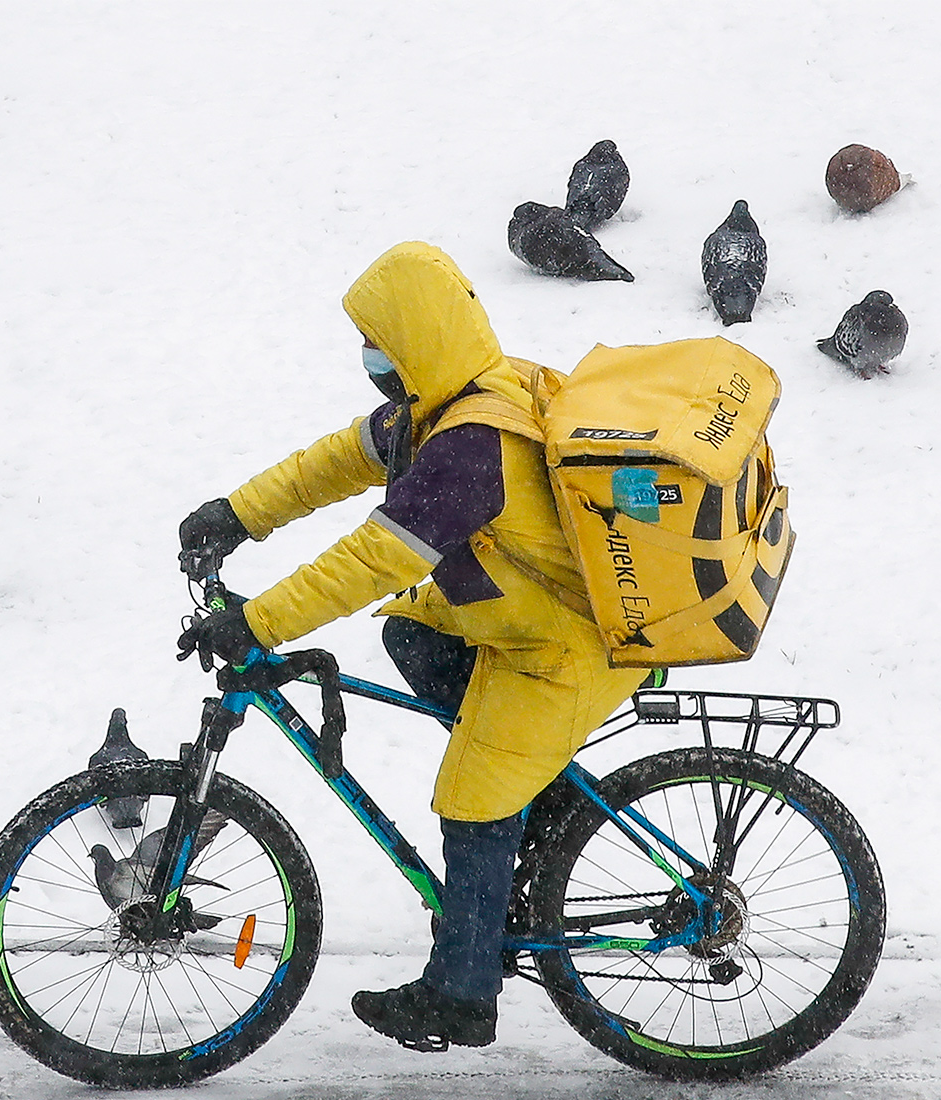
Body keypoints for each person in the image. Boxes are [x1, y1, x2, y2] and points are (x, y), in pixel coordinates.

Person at [176, 241, 653, 1051]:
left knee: (471, 797)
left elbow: (374, 558)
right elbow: (328, 464)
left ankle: (460, 994)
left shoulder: (475, 446)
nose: (370, 362)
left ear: (417, 343)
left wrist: (258, 625)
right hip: (520, 614)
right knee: (410, 629)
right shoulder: (440, 406)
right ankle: (536, 805)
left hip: (567, 644)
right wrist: (237, 513)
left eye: (380, 346)